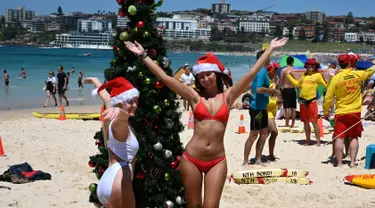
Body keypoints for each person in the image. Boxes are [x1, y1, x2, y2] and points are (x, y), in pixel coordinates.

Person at [124, 37, 288, 207]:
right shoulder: (195, 97)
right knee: (194, 205)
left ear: (216, 74)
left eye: (208, 74)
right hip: (191, 160)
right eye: (201, 76)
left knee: (211, 206)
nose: (205, 79)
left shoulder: (228, 96)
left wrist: (270, 49)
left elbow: (252, 72)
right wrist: (143, 55)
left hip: (217, 161)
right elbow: (166, 78)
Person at [84, 76, 140, 208]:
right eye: (130, 102)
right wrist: (120, 112)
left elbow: (106, 97)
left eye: (136, 101)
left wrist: (95, 81)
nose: (135, 105)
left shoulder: (110, 118)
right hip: (120, 180)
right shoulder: (118, 124)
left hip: (108, 180)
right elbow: (122, 118)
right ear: (120, 103)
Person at [324, 54, 375, 167]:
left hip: (341, 111)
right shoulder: (358, 74)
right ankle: (352, 162)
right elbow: (370, 71)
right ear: (350, 63)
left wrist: (326, 111)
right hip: (354, 111)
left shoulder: (336, 78)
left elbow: (328, 97)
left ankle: (339, 163)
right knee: (353, 137)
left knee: (339, 137)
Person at [243, 51, 281, 166]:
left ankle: (258, 159)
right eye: (268, 58)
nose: (269, 60)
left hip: (263, 108)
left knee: (264, 134)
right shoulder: (261, 71)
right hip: (257, 108)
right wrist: (273, 91)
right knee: (253, 135)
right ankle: (245, 161)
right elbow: (258, 89)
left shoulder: (260, 71)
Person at [286, 58, 327, 146]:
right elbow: (297, 84)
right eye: (309, 65)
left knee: (314, 122)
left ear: (315, 66)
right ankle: (308, 141)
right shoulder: (304, 75)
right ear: (306, 66)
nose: (310, 66)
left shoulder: (318, 75)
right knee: (305, 122)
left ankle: (318, 141)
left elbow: (326, 85)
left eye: (312, 65)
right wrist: (288, 75)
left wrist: (331, 78)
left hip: (312, 101)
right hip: (302, 101)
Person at [266, 62, 281, 161]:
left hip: (272, 109)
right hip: (266, 110)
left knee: (265, 135)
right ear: (271, 70)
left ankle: (267, 154)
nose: (277, 71)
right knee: (274, 132)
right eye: (276, 70)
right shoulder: (265, 80)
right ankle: (270, 155)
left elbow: (274, 95)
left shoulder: (273, 80)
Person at [279, 56, 297, 127]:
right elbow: (297, 81)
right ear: (292, 62)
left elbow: (281, 82)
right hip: (293, 89)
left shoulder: (283, 70)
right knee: (293, 108)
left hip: (286, 90)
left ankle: (286, 124)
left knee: (287, 108)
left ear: (286, 62)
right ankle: (292, 124)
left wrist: (278, 90)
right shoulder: (294, 70)